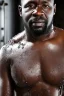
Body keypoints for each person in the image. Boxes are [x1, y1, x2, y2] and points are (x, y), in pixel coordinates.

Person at [0, 0, 64, 96]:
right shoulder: (8, 51)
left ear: (54, 9)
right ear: (20, 11)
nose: (38, 12)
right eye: (30, 6)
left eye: (45, 5)